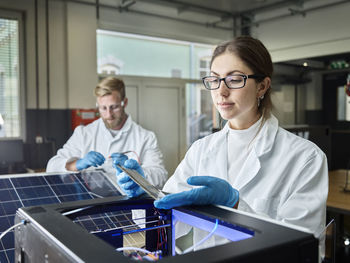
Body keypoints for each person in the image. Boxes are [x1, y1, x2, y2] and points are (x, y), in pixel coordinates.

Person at [116, 36, 328, 256]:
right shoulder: (201, 150)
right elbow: (169, 223)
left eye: (235, 80)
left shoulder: (306, 158)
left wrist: (236, 206)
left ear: (262, 86)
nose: (221, 91)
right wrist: (146, 196)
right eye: (215, 79)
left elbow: (303, 250)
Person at [46, 77, 168, 192]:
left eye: (114, 107)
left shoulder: (145, 137)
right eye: (103, 108)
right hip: (91, 206)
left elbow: (160, 175)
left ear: (124, 103)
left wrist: (135, 172)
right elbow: (52, 167)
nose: (109, 114)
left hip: (130, 206)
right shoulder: (84, 134)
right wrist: (77, 164)